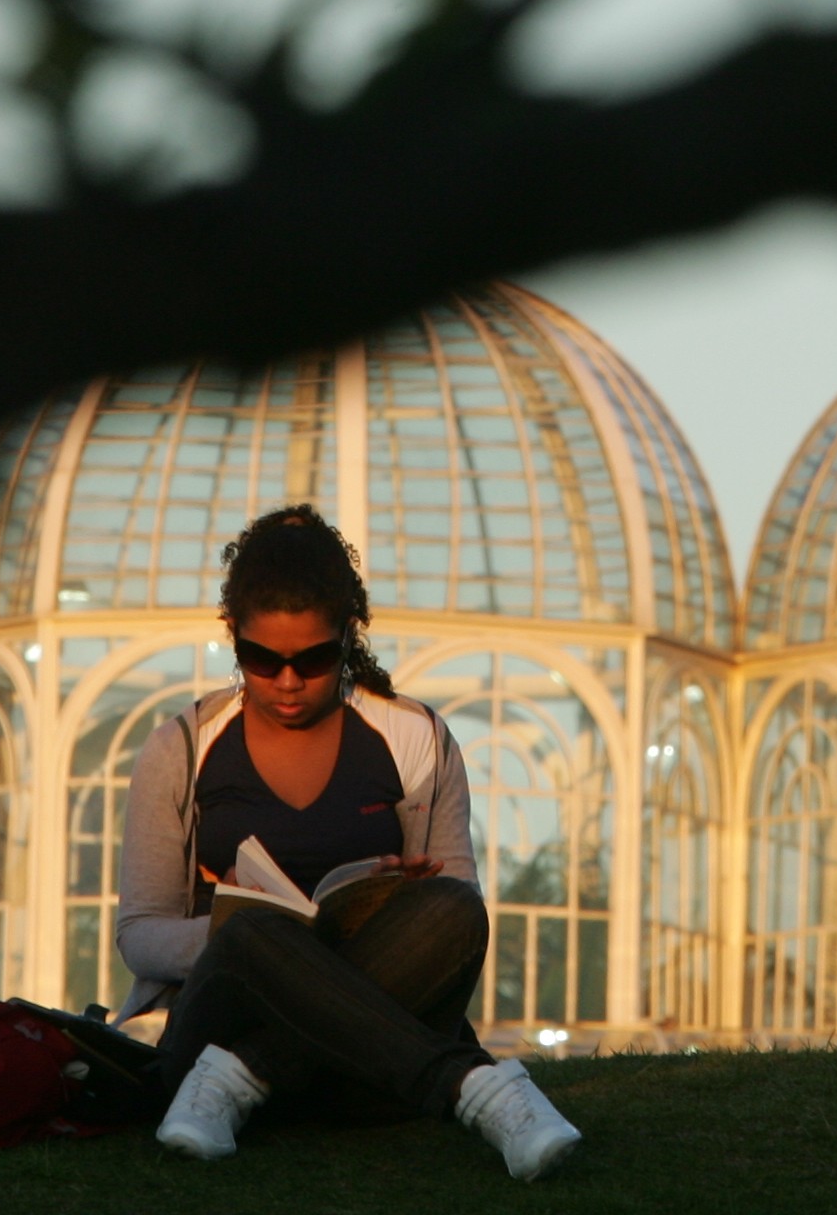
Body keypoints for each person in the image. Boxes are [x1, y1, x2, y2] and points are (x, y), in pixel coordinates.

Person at [112, 504, 583, 1180]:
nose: (287, 681)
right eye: (260, 659)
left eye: (314, 658)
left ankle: (250, 1074)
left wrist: (396, 897)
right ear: (232, 637)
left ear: (347, 638)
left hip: (349, 1067)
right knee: (254, 937)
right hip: (215, 1029)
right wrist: (239, 936)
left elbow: (454, 908)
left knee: (454, 909)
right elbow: (140, 933)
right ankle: (473, 1089)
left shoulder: (412, 739)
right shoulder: (182, 747)